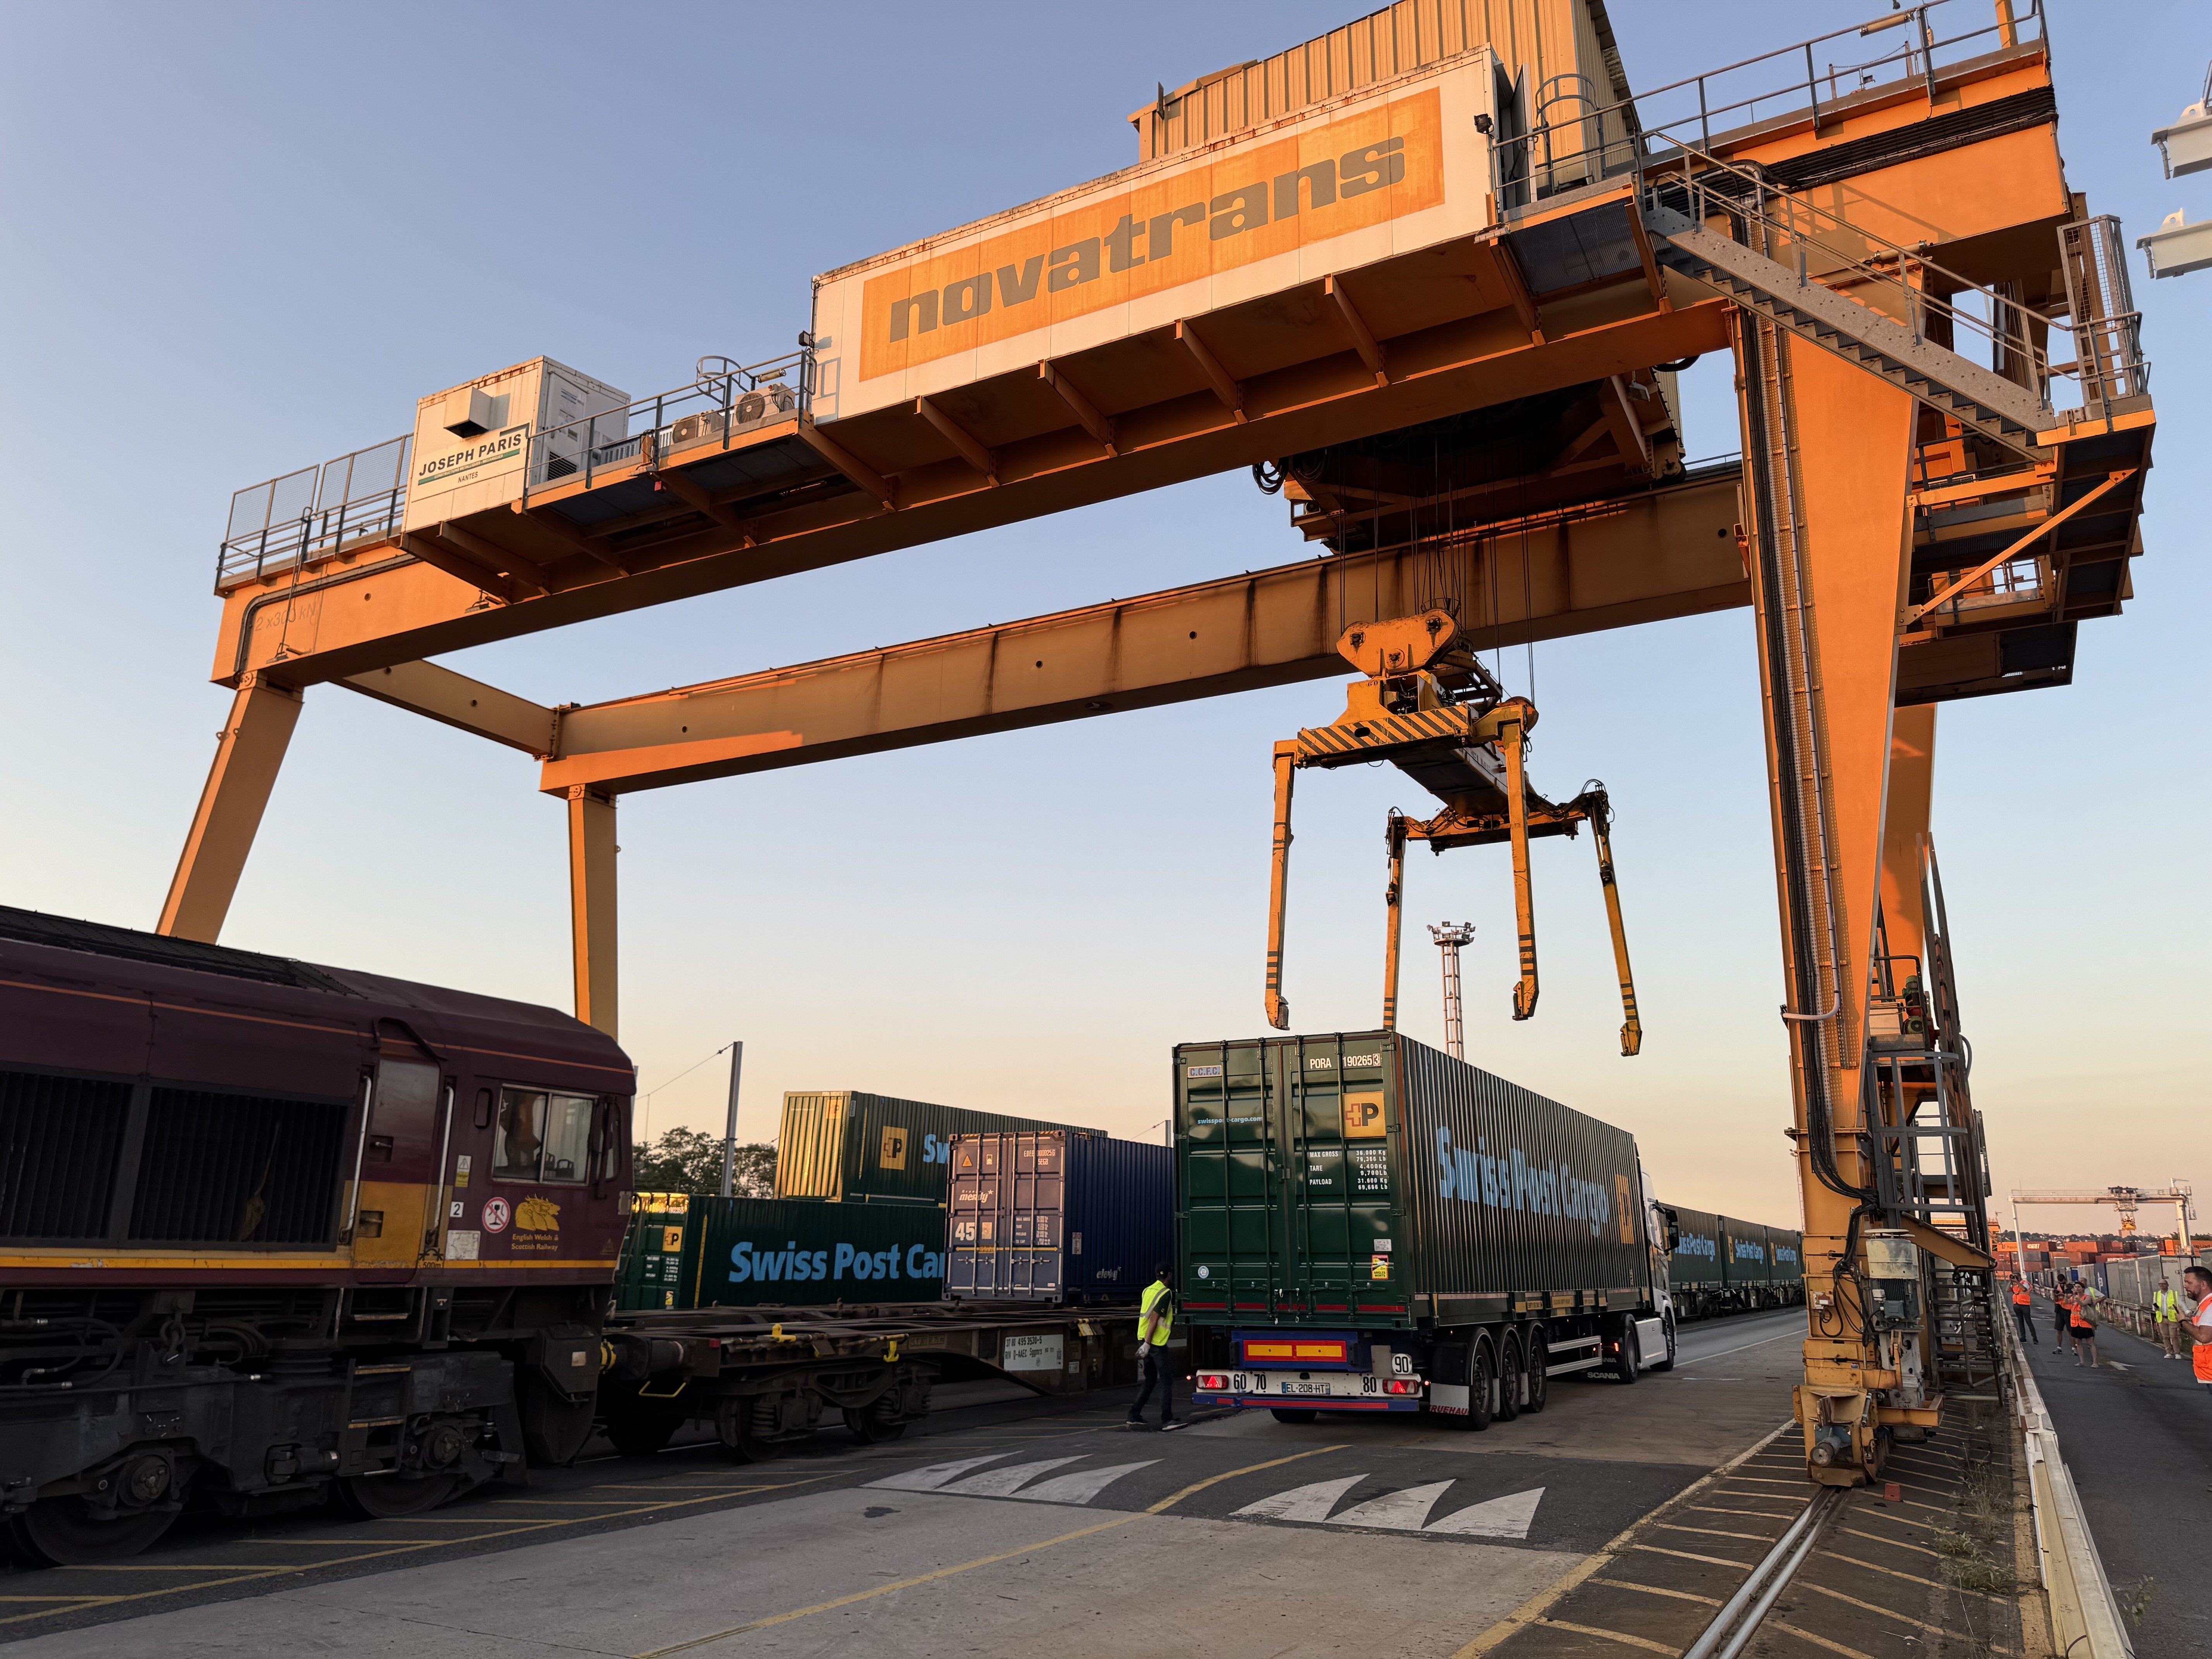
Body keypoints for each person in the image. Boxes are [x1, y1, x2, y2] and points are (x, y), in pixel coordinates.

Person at [1127, 1263, 1182, 1432]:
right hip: (1155, 1344)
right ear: (1169, 1276)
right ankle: (1167, 1419)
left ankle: (1134, 1416)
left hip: (1143, 1339)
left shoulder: (1147, 1290)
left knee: (1150, 1380)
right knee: (1167, 1380)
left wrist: (1144, 1343)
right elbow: (1154, 1319)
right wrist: (1149, 1343)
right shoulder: (1166, 1293)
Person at [2184, 1265, 2212, 1398]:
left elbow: (2204, 1336)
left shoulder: (2211, 1306)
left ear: (2203, 1284)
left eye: (2189, 1283)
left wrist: (2182, 1322)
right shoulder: (2205, 1306)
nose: (2186, 1286)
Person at [2069, 1281, 2101, 1369]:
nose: (2077, 1288)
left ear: (2083, 1289)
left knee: (2090, 1343)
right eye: (2076, 1287)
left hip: (2086, 1322)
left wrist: (2077, 1298)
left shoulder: (2088, 1298)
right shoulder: (2074, 1297)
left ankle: (2095, 1362)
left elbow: (2083, 1304)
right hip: (2076, 1323)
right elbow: (2067, 1303)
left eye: (2079, 1287)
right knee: (2078, 1342)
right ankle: (2082, 1361)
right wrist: (2068, 1295)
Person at [2154, 1279, 2186, 1359]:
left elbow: (2181, 1304)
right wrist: (2155, 1308)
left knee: (2174, 1336)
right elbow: (2154, 1304)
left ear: (2167, 1285)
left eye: (2163, 1284)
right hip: (2162, 1318)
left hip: (2172, 1318)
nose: (2162, 1286)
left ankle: (2177, 1353)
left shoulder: (2174, 1294)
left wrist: (2187, 1312)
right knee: (2165, 1337)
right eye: (2160, 1284)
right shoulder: (2157, 1294)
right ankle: (2169, 1352)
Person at [2010, 1276, 2037, 1347]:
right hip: (2017, 1305)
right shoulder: (2015, 1285)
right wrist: (2011, 1281)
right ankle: (2023, 1337)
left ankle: (2035, 1338)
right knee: (2020, 1322)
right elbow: (2008, 1290)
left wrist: (2017, 1282)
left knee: (2028, 1321)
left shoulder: (2025, 1283)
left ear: (2018, 1278)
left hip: (2025, 1305)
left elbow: (2024, 1289)